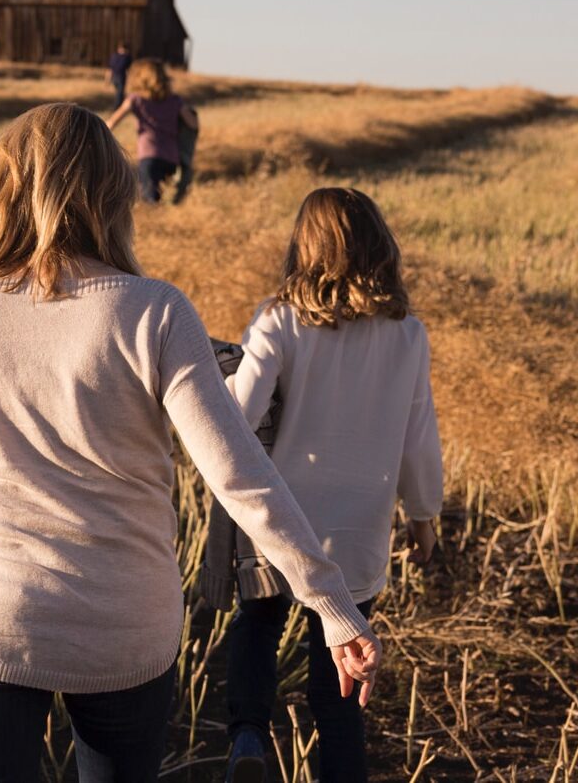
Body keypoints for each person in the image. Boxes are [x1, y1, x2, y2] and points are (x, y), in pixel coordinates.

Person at [0, 103, 380, 783]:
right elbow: (238, 476)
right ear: (114, 192)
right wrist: (333, 608)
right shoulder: (157, 311)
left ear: (3, 187)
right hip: (124, 629)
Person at [223, 188, 443, 783]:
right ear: (381, 249)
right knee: (340, 682)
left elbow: (238, 415)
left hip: (282, 520)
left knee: (259, 624)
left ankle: (246, 734)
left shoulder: (280, 320)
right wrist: (423, 516)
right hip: (360, 528)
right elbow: (418, 437)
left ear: (305, 247)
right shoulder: (408, 335)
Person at [106, 58, 198, 204]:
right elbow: (193, 124)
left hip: (149, 157)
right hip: (172, 159)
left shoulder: (135, 100)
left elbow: (111, 123)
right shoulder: (175, 101)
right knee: (166, 202)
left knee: (149, 203)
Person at [106, 42, 133, 107]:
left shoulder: (114, 56)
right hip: (120, 77)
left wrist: (107, 80)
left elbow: (109, 69)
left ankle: (119, 106)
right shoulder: (127, 57)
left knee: (119, 93)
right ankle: (117, 107)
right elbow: (129, 70)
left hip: (116, 77)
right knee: (120, 93)